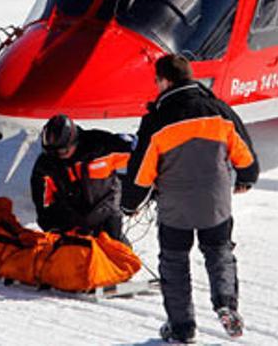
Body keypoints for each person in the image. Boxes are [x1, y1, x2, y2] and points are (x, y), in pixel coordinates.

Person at [122, 54, 258, 343]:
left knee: (174, 262)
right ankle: (225, 304)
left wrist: (130, 204)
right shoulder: (220, 110)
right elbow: (245, 153)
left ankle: (182, 328)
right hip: (215, 202)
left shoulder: (157, 120)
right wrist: (246, 177)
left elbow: (141, 172)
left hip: (176, 207)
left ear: (166, 80)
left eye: (157, 81)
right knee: (219, 251)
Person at [30, 114, 131, 241]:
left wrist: (140, 190)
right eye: (53, 153)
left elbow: (141, 154)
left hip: (106, 215)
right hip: (73, 223)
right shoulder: (45, 168)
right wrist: (56, 229)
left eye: (63, 152)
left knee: (117, 254)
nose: (59, 156)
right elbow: (44, 208)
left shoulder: (102, 146)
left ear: (75, 142)